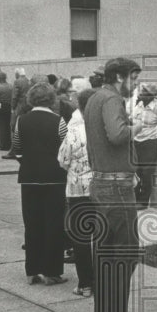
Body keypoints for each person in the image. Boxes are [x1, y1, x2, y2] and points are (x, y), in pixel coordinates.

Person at [83, 57, 143, 312]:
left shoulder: (96, 98)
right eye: (133, 79)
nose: (136, 85)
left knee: (106, 251)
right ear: (119, 77)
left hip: (103, 184)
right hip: (117, 190)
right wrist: (140, 126)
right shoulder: (112, 100)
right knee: (125, 253)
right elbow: (117, 135)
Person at [11, 82, 69, 284]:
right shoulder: (59, 121)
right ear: (51, 99)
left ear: (31, 99)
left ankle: (32, 270)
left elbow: (17, 148)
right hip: (54, 177)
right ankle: (51, 271)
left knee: (32, 224)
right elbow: (65, 150)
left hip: (28, 177)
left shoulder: (21, 120)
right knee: (53, 225)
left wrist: (26, 162)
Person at [59, 87, 96, 297]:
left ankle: (85, 283)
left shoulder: (74, 132)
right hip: (101, 188)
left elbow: (62, 160)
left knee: (81, 238)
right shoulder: (106, 129)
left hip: (77, 190)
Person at [0, 72, 14, 151]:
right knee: (8, 125)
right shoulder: (11, 86)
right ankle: (9, 144)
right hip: (8, 106)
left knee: (1, 126)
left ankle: (3, 145)